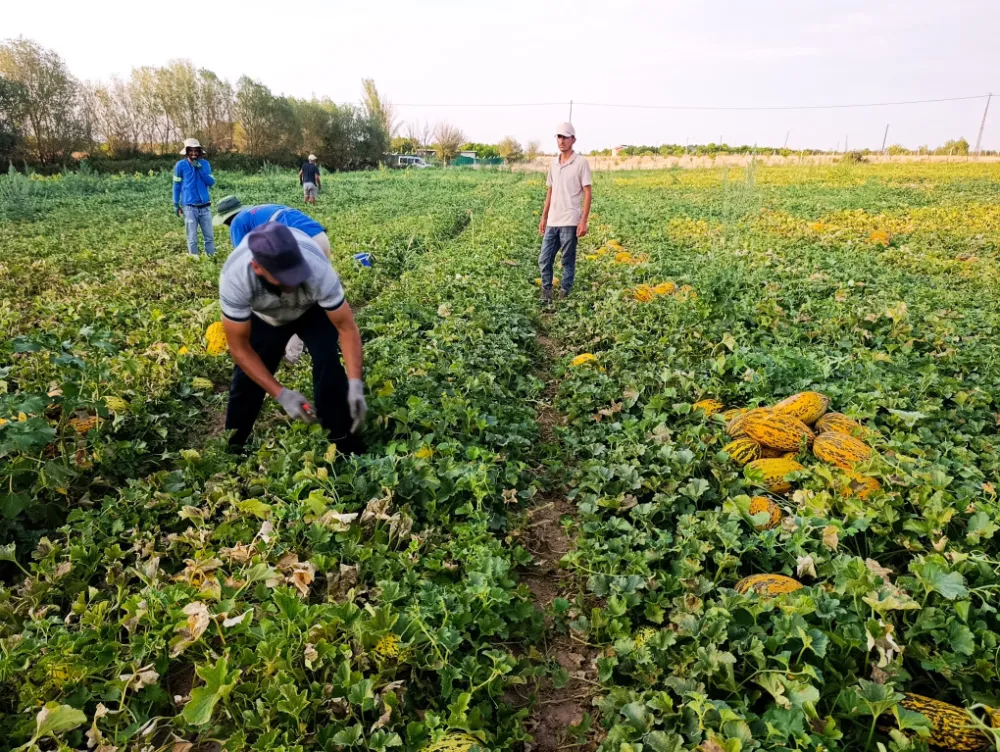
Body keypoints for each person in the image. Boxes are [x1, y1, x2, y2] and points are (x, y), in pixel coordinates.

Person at [218, 222, 366, 453]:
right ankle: (233, 446)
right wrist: (281, 393)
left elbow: (346, 327)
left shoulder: (316, 266)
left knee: (328, 361)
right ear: (257, 267)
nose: (293, 282)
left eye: (297, 273)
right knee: (246, 381)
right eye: (284, 277)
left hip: (310, 310)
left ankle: (342, 440)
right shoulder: (236, 278)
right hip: (265, 317)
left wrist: (356, 383)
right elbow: (239, 347)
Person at [214, 195, 332, 364]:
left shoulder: (237, 222)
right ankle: (326, 336)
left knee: (288, 301)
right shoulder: (257, 211)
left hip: (299, 244)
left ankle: (293, 354)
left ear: (226, 219)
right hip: (319, 239)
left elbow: (244, 259)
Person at [537, 122, 592, 305]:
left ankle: (565, 291)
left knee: (567, 260)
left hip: (569, 219)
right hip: (553, 220)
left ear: (573, 139)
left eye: (565, 137)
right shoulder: (553, 163)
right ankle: (547, 291)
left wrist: (583, 221)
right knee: (544, 259)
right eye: (559, 137)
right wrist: (544, 217)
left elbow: (587, 192)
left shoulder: (581, 163)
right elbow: (550, 191)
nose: (561, 141)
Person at [173, 138, 216, 257]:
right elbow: (176, 186)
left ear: (200, 151)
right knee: (192, 237)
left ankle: (212, 258)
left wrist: (200, 169)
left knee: (209, 236)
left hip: (205, 207)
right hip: (189, 208)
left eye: (196, 150)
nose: (193, 153)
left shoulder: (205, 164)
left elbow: (211, 182)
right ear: (186, 151)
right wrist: (176, 204)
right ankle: (194, 259)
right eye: (190, 150)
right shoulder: (180, 166)